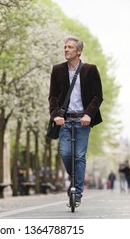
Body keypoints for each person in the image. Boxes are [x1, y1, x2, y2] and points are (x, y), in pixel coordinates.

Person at [48, 35, 103, 208]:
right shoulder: (57, 70)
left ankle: (77, 193)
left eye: (70, 47)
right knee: (65, 154)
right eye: (65, 47)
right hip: (65, 121)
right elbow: (53, 97)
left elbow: (97, 96)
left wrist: (88, 115)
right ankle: (75, 177)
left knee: (79, 156)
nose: (66, 49)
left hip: (82, 120)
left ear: (79, 51)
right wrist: (56, 115)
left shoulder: (90, 70)